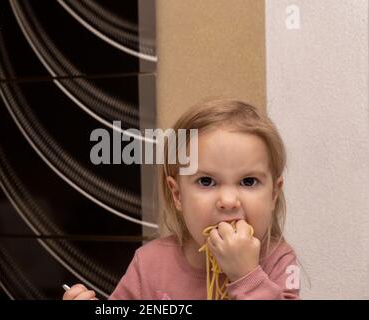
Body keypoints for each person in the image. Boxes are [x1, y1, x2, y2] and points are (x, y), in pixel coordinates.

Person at [63, 99, 300, 300]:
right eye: (206, 182)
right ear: (178, 195)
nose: (228, 201)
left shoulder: (279, 260)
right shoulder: (150, 264)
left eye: (248, 181)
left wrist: (247, 276)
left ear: (273, 194)